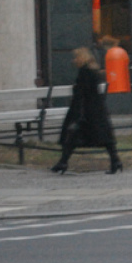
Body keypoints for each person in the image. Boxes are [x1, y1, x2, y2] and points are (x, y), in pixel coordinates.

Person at [51, 47, 123, 175]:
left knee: (72, 136)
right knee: (102, 138)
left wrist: (78, 112)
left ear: (82, 57)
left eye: (76, 57)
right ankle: (115, 161)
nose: (74, 60)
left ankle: (63, 162)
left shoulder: (85, 72)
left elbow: (82, 93)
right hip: (95, 110)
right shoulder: (92, 71)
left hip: (85, 110)